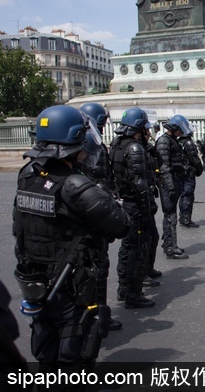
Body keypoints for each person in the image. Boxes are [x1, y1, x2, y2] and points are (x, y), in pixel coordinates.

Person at [13, 105, 129, 374]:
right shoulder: (74, 185)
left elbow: (19, 227)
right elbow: (121, 224)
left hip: (36, 278)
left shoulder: (27, 175)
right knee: (76, 343)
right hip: (70, 282)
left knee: (45, 339)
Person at [79, 102, 122, 331]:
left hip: (86, 212)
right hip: (92, 213)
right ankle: (98, 316)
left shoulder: (82, 143)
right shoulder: (90, 144)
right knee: (97, 267)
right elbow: (97, 180)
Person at [110, 107, 157, 308]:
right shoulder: (135, 148)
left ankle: (123, 288)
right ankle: (133, 294)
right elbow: (140, 183)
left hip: (125, 202)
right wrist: (148, 209)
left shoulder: (116, 145)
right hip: (136, 205)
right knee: (137, 249)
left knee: (127, 247)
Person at [156, 115, 189, 259]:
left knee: (171, 214)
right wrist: (170, 187)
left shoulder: (171, 140)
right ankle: (170, 247)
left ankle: (169, 242)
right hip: (168, 183)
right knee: (170, 215)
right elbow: (163, 166)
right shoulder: (164, 141)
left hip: (174, 181)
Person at [143, 122, 163, 285]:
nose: (149, 133)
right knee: (139, 242)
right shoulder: (134, 149)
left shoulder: (145, 148)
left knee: (152, 237)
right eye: (147, 130)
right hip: (139, 203)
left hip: (146, 200)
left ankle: (147, 270)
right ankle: (134, 283)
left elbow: (158, 163)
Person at [178, 117, 203, 227]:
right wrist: (199, 169)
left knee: (183, 195)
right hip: (188, 172)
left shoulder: (178, 142)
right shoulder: (188, 143)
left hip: (181, 172)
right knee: (188, 195)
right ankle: (186, 219)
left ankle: (182, 217)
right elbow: (195, 159)